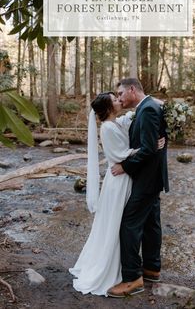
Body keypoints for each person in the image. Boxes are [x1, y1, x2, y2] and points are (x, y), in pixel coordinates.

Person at [69, 91, 165, 296]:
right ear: (108, 108)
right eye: (114, 99)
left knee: (135, 221)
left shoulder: (117, 121)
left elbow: (137, 113)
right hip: (119, 180)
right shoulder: (107, 129)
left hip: (128, 177)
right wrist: (151, 147)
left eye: (118, 96)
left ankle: (142, 268)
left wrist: (153, 100)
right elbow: (120, 155)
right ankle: (119, 269)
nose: (118, 100)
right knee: (118, 223)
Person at [108, 78, 169, 298]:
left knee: (129, 224)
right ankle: (152, 268)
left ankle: (132, 279)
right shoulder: (150, 106)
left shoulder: (148, 110)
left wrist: (124, 166)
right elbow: (156, 140)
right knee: (152, 223)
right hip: (152, 177)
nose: (120, 98)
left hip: (147, 179)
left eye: (121, 93)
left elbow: (148, 149)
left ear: (132, 90)